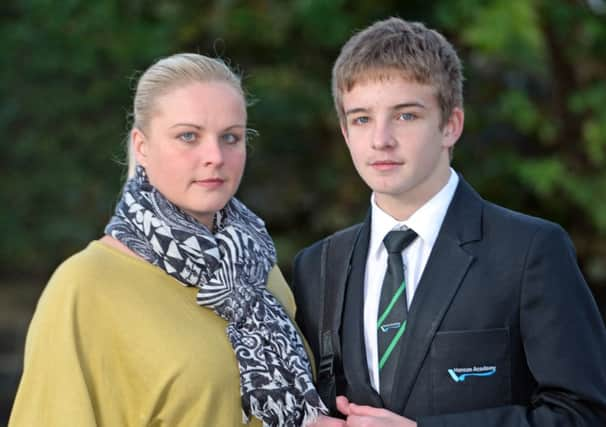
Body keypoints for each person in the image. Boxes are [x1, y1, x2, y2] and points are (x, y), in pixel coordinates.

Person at [291, 17, 606, 426]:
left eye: (405, 116)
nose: (380, 139)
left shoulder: (529, 252)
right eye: (362, 118)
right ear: (346, 132)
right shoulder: (317, 266)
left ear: (450, 126)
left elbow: (584, 414)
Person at [10, 53, 326, 427]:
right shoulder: (85, 285)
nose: (214, 156)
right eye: (188, 136)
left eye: (231, 137)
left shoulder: (259, 267)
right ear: (142, 146)